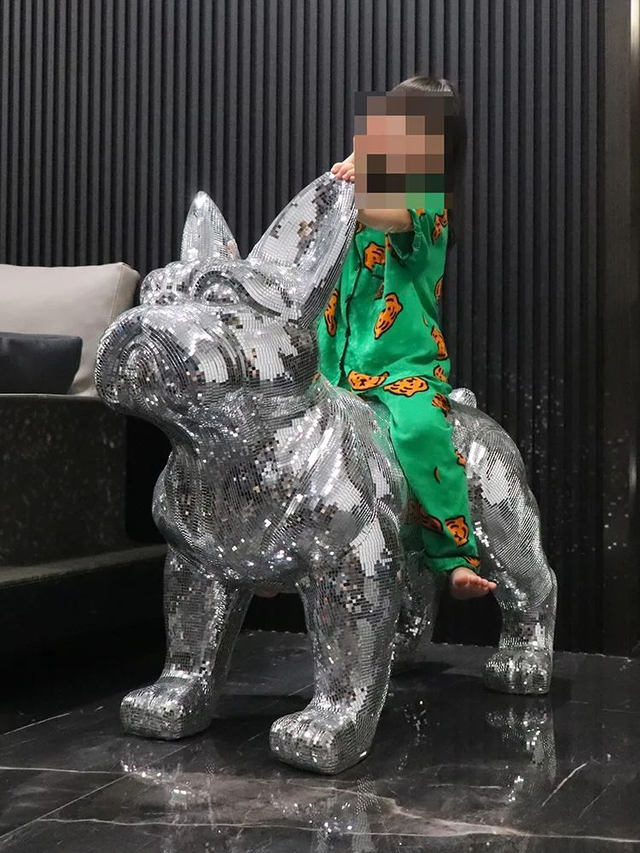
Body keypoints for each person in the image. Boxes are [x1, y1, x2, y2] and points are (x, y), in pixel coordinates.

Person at [317, 76, 496, 601]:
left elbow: (377, 210)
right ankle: (273, 552)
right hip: (332, 360)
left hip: (401, 363)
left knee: (420, 430)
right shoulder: (362, 188)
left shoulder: (428, 204)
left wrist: (359, 168)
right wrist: (354, 165)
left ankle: (454, 556)